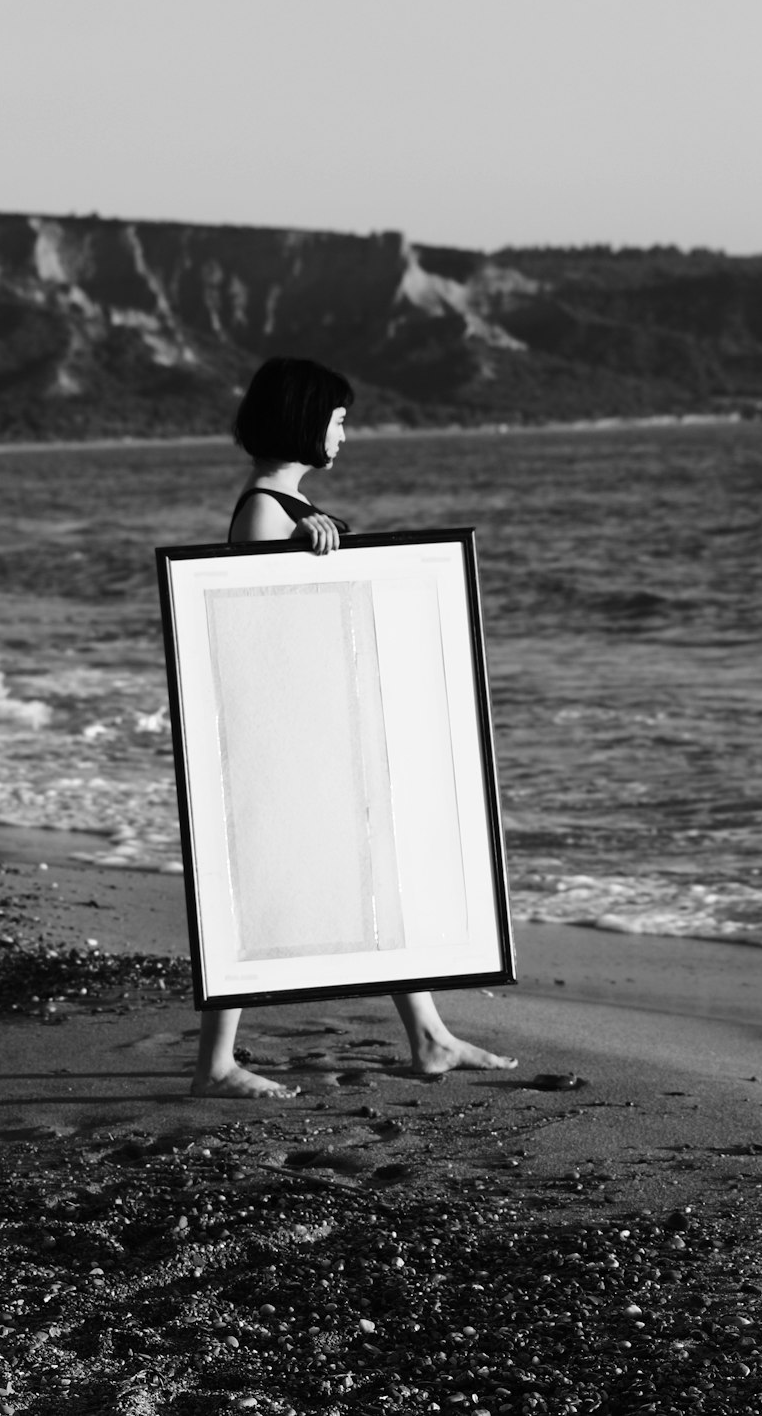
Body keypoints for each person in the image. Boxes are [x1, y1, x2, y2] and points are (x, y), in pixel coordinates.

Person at [191, 355, 518, 1098]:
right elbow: (260, 634)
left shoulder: (287, 511)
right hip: (284, 741)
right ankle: (215, 1065)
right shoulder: (265, 512)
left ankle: (429, 1035)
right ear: (306, 420)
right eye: (339, 419)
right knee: (251, 894)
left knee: (373, 875)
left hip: (309, 733)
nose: (346, 434)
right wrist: (306, 554)